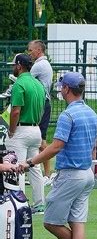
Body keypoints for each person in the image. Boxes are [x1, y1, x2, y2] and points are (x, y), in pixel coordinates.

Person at [19, 71, 97, 239]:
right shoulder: (91, 112)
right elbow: (93, 147)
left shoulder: (68, 115)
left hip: (71, 174)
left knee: (51, 221)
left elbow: (56, 147)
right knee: (77, 221)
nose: (60, 90)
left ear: (67, 89)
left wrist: (30, 162)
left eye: (62, 87)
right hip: (87, 173)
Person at [6, 53, 45, 214]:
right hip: (36, 128)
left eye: (14, 65)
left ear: (20, 65)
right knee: (34, 167)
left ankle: (19, 204)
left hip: (21, 129)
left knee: (17, 166)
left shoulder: (19, 84)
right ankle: (40, 203)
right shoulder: (38, 84)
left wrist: (11, 130)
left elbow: (15, 111)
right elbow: (42, 109)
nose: (13, 68)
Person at [27, 40, 54, 184]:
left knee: (41, 141)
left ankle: (47, 175)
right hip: (43, 104)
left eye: (30, 50)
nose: (29, 53)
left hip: (41, 105)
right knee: (38, 140)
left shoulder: (39, 65)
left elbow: (26, 81)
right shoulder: (45, 64)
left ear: (38, 50)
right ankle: (43, 174)